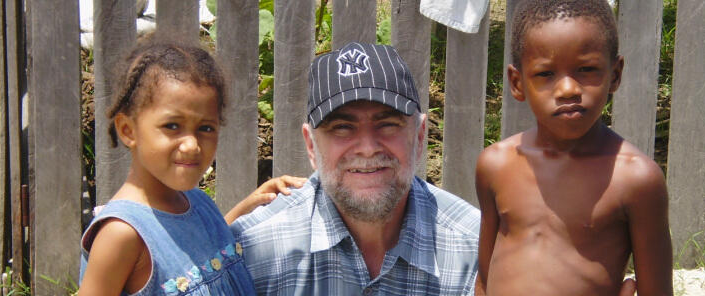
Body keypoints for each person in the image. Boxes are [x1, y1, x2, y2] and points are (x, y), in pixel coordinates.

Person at [229, 42, 482, 295]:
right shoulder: (248, 254)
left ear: (419, 136)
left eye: (387, 124)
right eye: (342, 127)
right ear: (311, 145)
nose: (368, 148)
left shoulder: (478, 251)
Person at [475, 1, 672, 295]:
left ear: (615, 74)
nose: (568, 89)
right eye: (546, 74)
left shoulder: (636, 179)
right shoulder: (496, 165)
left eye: (586, 69)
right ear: (517, 83)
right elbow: (484, 278)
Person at [77, 39, 301, 295]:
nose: (192, 145)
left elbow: (197, 259)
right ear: (128, 130)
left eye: (205, 128)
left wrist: (249, 204)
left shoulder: (196, 201)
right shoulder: (122, 234)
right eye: (172, 126)